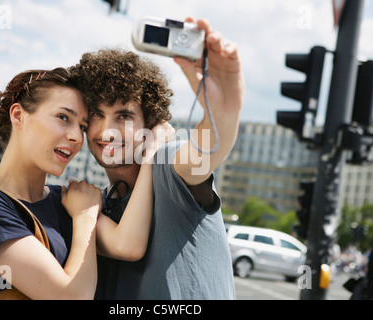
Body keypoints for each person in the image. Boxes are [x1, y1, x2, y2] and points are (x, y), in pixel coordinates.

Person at [0, 67, 170, 299]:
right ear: (18, 116)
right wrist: (85, 218)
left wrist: (151, 157)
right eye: (63, 117)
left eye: (82, 126)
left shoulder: (66, 200)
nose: (76, 137)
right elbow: (71, 297)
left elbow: (129, 246)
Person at [71, 17, 244, 299]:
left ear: (151, 123)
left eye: (124, 116)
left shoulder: (167, 161)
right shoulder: (96, 205)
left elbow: (204, 154)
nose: (106, 131)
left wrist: (223, 113)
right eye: (97, 115)